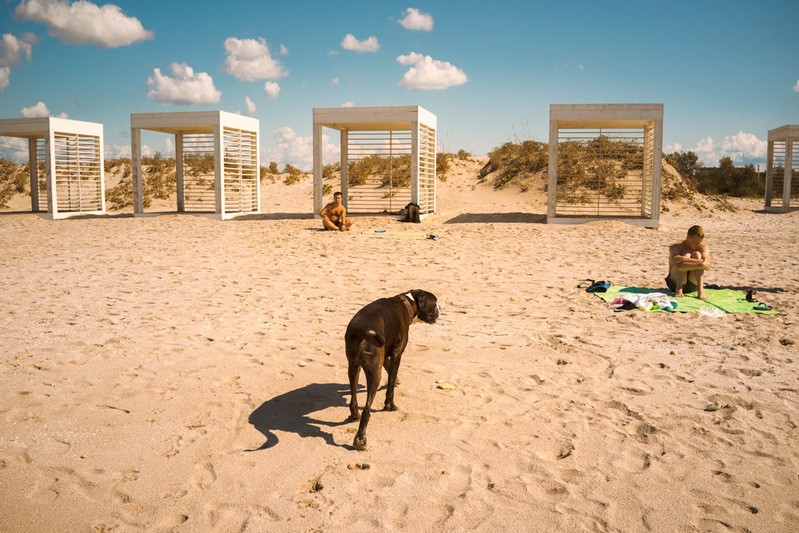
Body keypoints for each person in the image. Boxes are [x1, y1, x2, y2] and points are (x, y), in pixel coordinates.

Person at [666, 225, 711, 300]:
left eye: (700, 242)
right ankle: (679, 289)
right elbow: (675, 262)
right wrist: (699, 263)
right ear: (688, 237)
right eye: (696, 242)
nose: (698, 245)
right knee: (686, 255)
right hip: (675, 283)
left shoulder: (702, 247)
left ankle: (700, 291)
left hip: (693, 284)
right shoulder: (676, 247)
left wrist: (684, 259)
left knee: (697, 254)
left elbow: (707, 266)